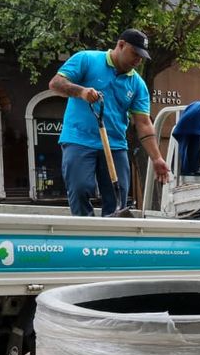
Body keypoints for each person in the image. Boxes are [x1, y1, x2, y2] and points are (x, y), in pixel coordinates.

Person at [50, 29, 170, 216]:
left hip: (115, 145)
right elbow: (56, 83)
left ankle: (111, 239)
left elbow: (143, 123)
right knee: (80, 188)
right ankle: (85, 236)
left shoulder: (137, 84)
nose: (138, 60)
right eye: (135, 54)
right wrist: (81, 91)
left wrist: (157, 158)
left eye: (141, 56)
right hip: (79, 139)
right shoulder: (87, 59)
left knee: (118, 197)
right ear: (121, 45)